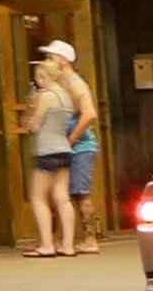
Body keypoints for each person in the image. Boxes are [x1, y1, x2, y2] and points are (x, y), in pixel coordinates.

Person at [24, 41, 98, 256]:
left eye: (51, 57)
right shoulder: (63, 90)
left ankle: (82, 240)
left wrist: (73, 138)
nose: (48, 61)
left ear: (63, 60)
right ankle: (65, 244)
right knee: (63, 196)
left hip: (70, 145)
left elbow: (90, 114)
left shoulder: (72, 85)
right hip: (64, 147)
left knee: (71, 194)